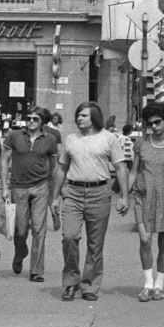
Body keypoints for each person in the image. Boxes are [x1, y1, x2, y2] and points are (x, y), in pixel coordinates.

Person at [54, 101, 128, 302]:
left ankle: (90, 285)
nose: (79, 118)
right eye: (78, 115)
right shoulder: (70, 139)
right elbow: (61, 168)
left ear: (94, 117)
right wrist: (55, 196)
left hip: (99, 193)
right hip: (73, 193)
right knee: (69, 236)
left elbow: (121, 168)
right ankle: (70, 282)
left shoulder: (109, 139)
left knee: (95, 244)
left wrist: (124, 196)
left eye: (84, 115)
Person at [129, 102, 164, 302]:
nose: (154, 126)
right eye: (150, 123)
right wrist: (124, 195)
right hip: (143, 197)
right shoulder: (141, 144)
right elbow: (134, 171)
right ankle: (147, 284)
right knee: (145, 240)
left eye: (158, 122)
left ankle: (159, 285)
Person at [2, 107, 59, 283]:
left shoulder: (50, 139)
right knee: (20, 229)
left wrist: (55, 193)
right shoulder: (15, 136)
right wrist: (4, 186)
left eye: (35, 118)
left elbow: (55, 166)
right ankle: (20, 252)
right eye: (29, 118)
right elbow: (4, 160)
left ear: (42, 121)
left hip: (41, 187)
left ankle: (36, 270)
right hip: (18, 187)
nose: (31, 120)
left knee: (39, 228)